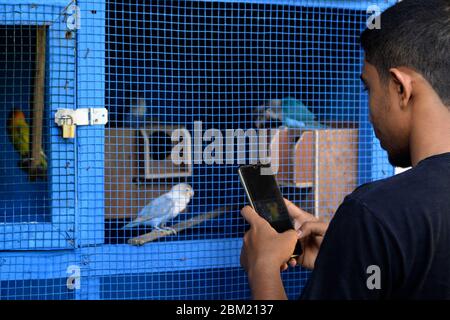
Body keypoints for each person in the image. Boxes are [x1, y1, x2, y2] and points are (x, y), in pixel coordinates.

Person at [240, 0, 450, 300]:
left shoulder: (375, 212)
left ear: (401, 88)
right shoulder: (376, 222)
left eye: (369, 88)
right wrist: (349, 253)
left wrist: (262, 269)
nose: (369, 111)